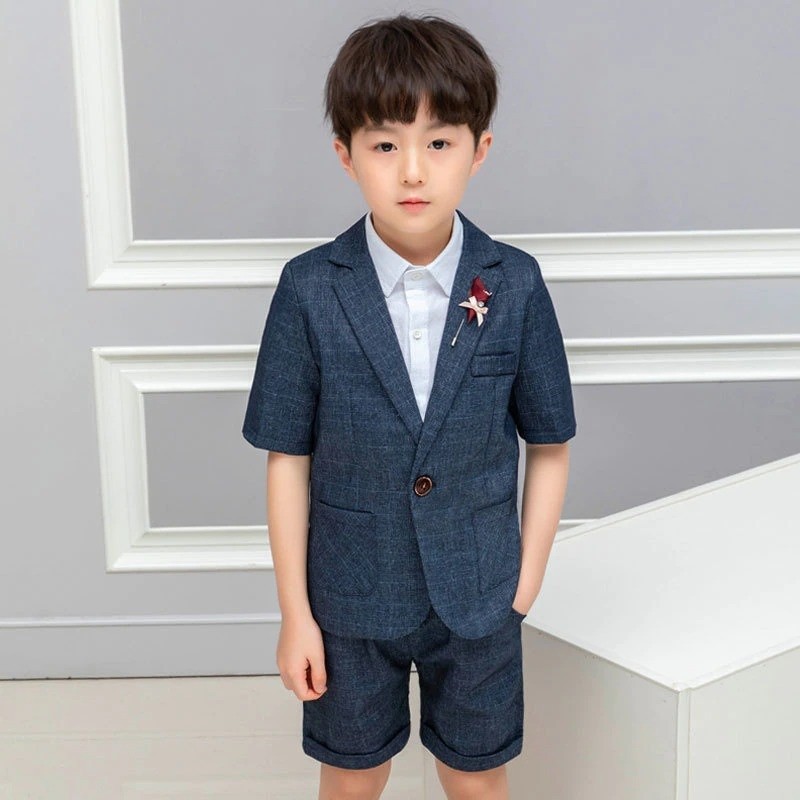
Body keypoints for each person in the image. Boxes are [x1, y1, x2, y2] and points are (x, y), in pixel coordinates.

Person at [242, 12, 576, 799]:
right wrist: (296, 614)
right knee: (352, 779)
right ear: (346, 154)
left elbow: (551, 443)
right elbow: (287, 459)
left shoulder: (515, 284)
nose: (414, 172)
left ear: (479, 149)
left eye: (440, 142)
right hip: (350, 597)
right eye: (386, 146)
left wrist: (524, 585)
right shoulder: (309, 289)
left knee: (477, 778)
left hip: (482, 593)